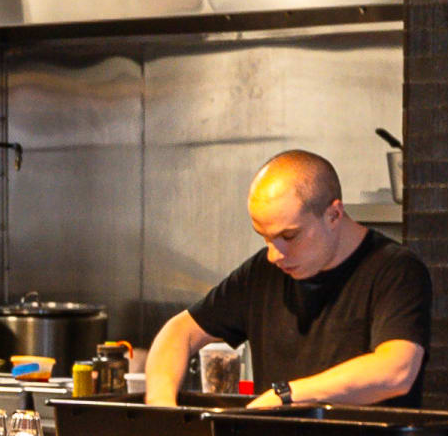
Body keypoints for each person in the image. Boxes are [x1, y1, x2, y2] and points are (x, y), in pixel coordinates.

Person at [142, 149, 430, 408]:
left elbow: (396, 370)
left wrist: (287, 395)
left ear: (333, 214)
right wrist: (160, 406)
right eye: (265, 238)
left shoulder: (395, 270)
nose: (274, 254)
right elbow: (180, 332)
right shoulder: (263, 273)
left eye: (289, 236)